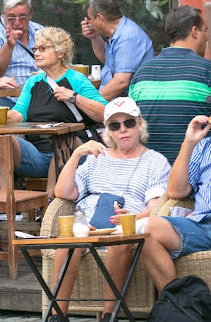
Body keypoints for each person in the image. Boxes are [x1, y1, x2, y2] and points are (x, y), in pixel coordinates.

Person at [48, 97, 170, 322]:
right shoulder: (97, 159)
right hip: (89, 225)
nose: (123, 130)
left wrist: (132, 218)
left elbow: (155, 209)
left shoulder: (155, 161)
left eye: (129, 123)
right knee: (69, 244)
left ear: (140, 124)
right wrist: (76, 155)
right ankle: (57, 316)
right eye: (115, 125)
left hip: (125, 226)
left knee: (119, 239)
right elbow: (63, 193)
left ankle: (108, 315)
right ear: (108, 131)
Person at [139, 78, 211, 322]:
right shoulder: (206, 145)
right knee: (149, 229)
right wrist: (189, 142)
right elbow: (176, 191)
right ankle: (182, 308)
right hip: (200, 223)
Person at [6, 27, 106, 195]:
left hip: (74, 155)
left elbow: (105, 114)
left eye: (43, 48)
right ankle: (5, 200)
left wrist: (74, 97)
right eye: (35, 49)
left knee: (63, 142)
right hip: (38, 154)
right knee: (3, 141)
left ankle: (50, 203)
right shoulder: (33, 82)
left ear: (60, 53)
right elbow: (19, 113)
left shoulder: (76, 79)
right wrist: (1, 116)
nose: (36, 53)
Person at [129, 5, 211, 164]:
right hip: (200, 172)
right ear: (195, 31)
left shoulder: (141, 74)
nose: (207, 37)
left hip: (149, 172)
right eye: (205, 30)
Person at [81, 0, 153, 100]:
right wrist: (94, 37)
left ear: (99, 18)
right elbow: (108, 60)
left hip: (126, 107)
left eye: (90, 19)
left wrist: (92, 103)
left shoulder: (127, 38)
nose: (89, 24)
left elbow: (121, 82)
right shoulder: (117, 33)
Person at [0, 0, 44, 107]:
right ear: (3, 15)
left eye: (22, 17)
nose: (17, 22)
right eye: (11, 17)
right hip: (7, 97)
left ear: (30, 14)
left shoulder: (39, 30)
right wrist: (9, 45)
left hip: (40, 94)